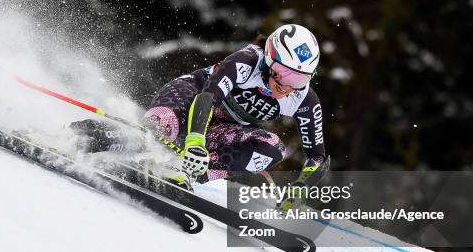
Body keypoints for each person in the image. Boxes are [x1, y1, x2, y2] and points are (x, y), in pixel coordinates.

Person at [71, 24, 329, 191]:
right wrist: (194, 141)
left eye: (301, 79)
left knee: (273, 148)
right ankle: (88, 135)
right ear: (271, 59)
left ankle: (184, 170)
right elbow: (206, 99)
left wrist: (302, 186)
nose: (289, 86)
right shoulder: (246, 62)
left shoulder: (303, 99)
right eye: (285, 74)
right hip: (191, 97)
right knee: (163, 128)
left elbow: (316, 156)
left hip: (220, 129)